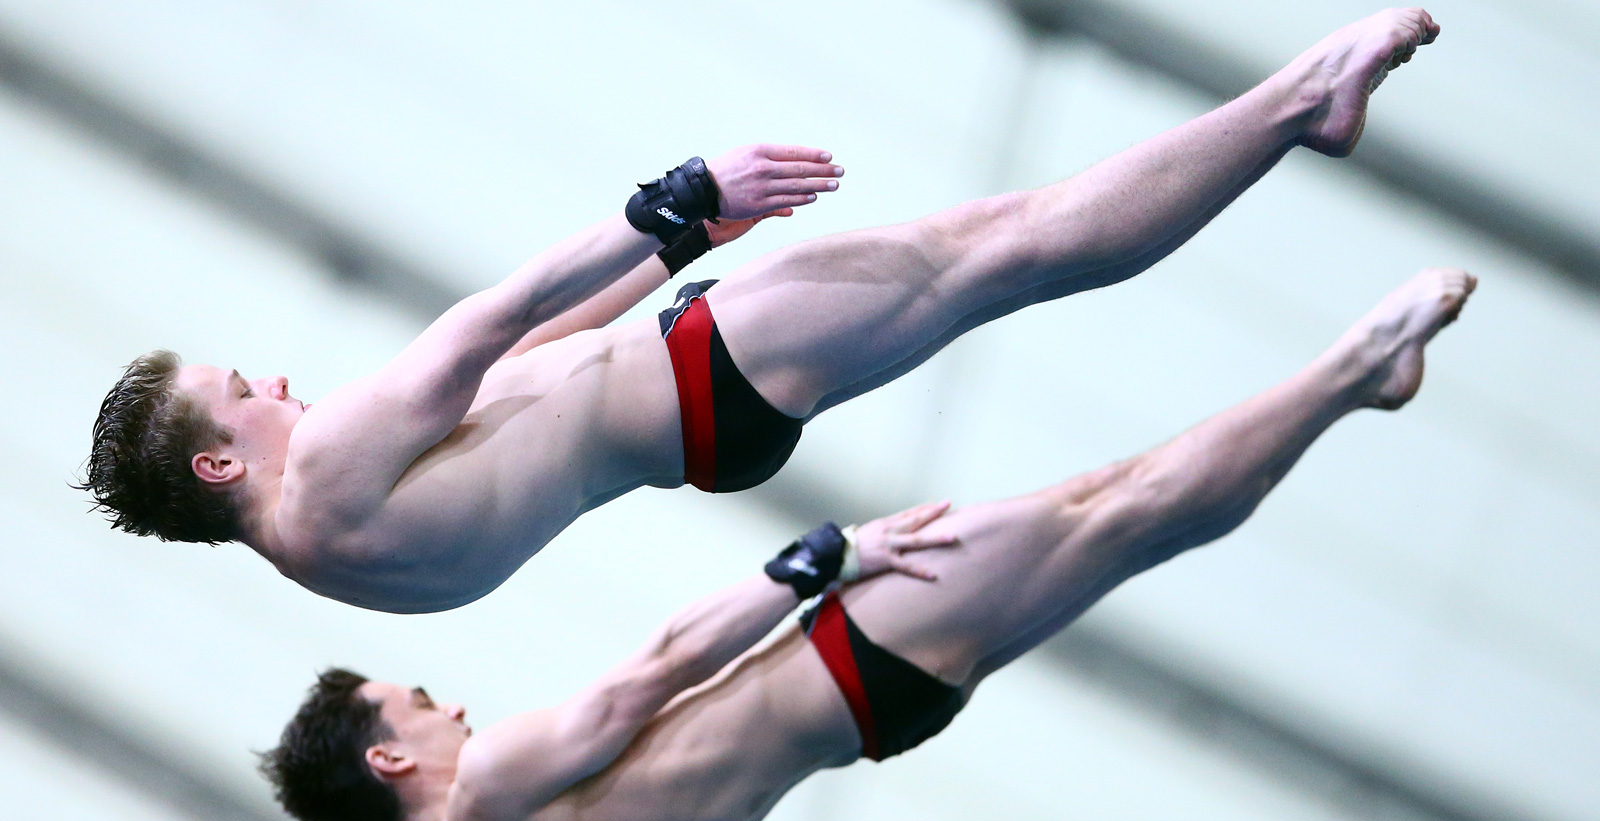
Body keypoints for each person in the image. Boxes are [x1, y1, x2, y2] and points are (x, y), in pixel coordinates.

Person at [81, 10, 1443, 612]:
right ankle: (1293, 104)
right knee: (1014, 244)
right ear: (218, 460)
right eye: (244, 388)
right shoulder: (314, 475)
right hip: (697, 374)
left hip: (690, 425)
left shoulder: (335, 557)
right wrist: (670, 198)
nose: (279, 387)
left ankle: (1290, 123)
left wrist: (677, 252)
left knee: (1005, 264)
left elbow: (533, 381)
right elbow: (489, 324)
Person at [260, 268, 1476, 821]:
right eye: (415, 704)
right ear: (387, 763)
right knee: (1119, 506)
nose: (447, 710)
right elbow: (659, 667)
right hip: (847, 644)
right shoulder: (493, 788)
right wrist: (820, 559)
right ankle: (1357, 371)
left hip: (866, 714)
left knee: (1120, 516)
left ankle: (1350, 383)